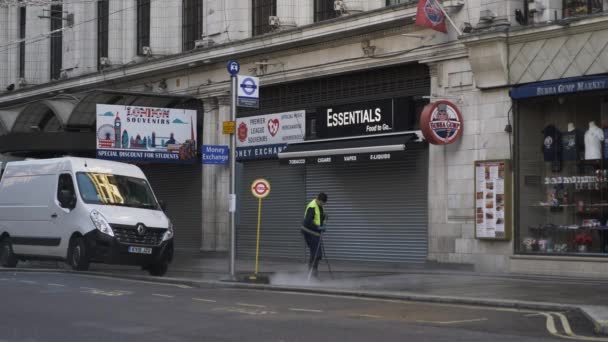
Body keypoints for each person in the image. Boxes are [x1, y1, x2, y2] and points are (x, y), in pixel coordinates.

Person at [301, 192, 328, 278]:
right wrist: (318, 227)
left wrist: (324, 217)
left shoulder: (320, 206)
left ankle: (313, 274)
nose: (323, 204)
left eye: (324, 203)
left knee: (317, 254)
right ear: (318, 199)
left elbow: (319, 217)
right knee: (316, 253)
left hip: (315, 233)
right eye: (322, 203)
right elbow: (307, 222)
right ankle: (312, 275)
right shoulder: (312, 207)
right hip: (309, 232)